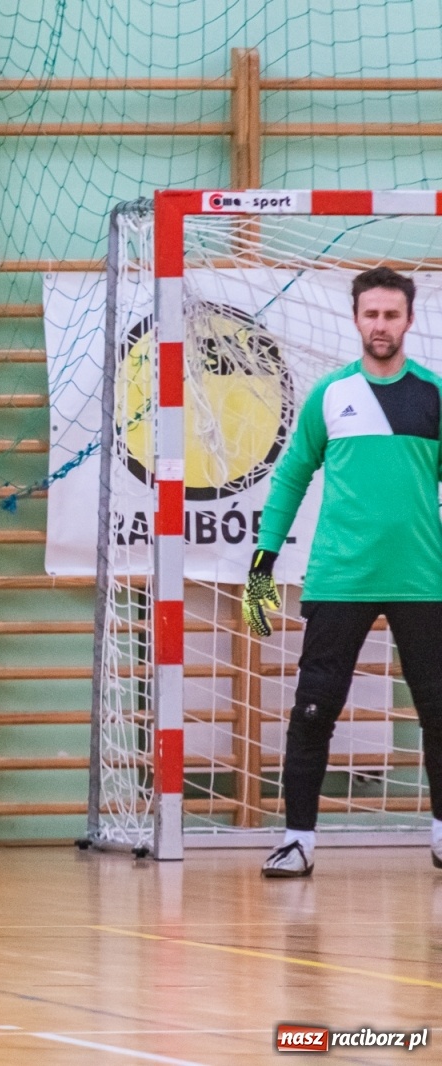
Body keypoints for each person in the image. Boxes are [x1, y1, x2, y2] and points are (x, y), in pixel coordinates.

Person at [245, 266, 442, 878]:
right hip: (339, 581)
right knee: (313, 710)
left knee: (438, 712)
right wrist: (262, 564)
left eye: (391, 314)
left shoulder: (435, 393)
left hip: (422, 582)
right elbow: (289, 477)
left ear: (409, 320)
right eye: (370, 314)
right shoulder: (329, 395)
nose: (380, 325)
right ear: (355, 318)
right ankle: (297, 840)